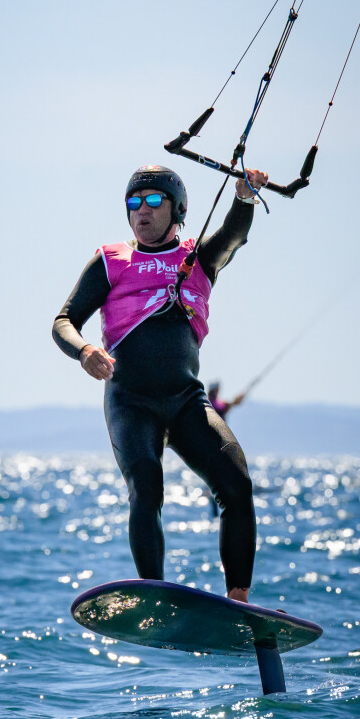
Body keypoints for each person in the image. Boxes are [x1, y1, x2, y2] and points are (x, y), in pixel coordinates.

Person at [52, 164, 268, 603]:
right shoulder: (111, 261)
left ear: (178, 210)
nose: (142, 211)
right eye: (134, 203)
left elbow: (232, 236)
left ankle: (238, 599)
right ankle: (154, 593)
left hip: (185, 400)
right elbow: (63, 321)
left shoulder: (198, 258)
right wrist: (84, 350)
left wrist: (244, 196)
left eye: (154, 201)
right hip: (130, 402)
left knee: (236, 485)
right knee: (146, 489)